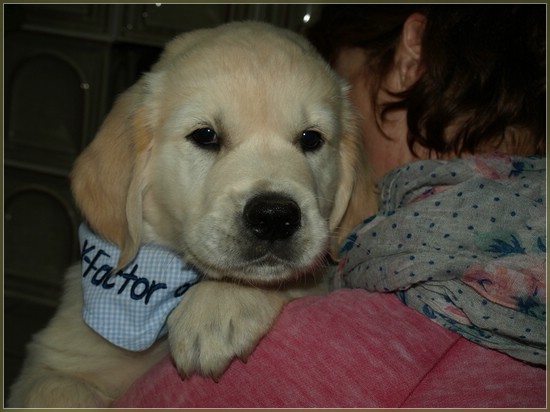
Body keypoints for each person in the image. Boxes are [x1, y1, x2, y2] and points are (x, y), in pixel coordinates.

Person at [114, 5, 546, 408]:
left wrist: (264, 293)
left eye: (310, 138)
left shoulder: (401, 298)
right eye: (207, 137)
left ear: (411, 56)